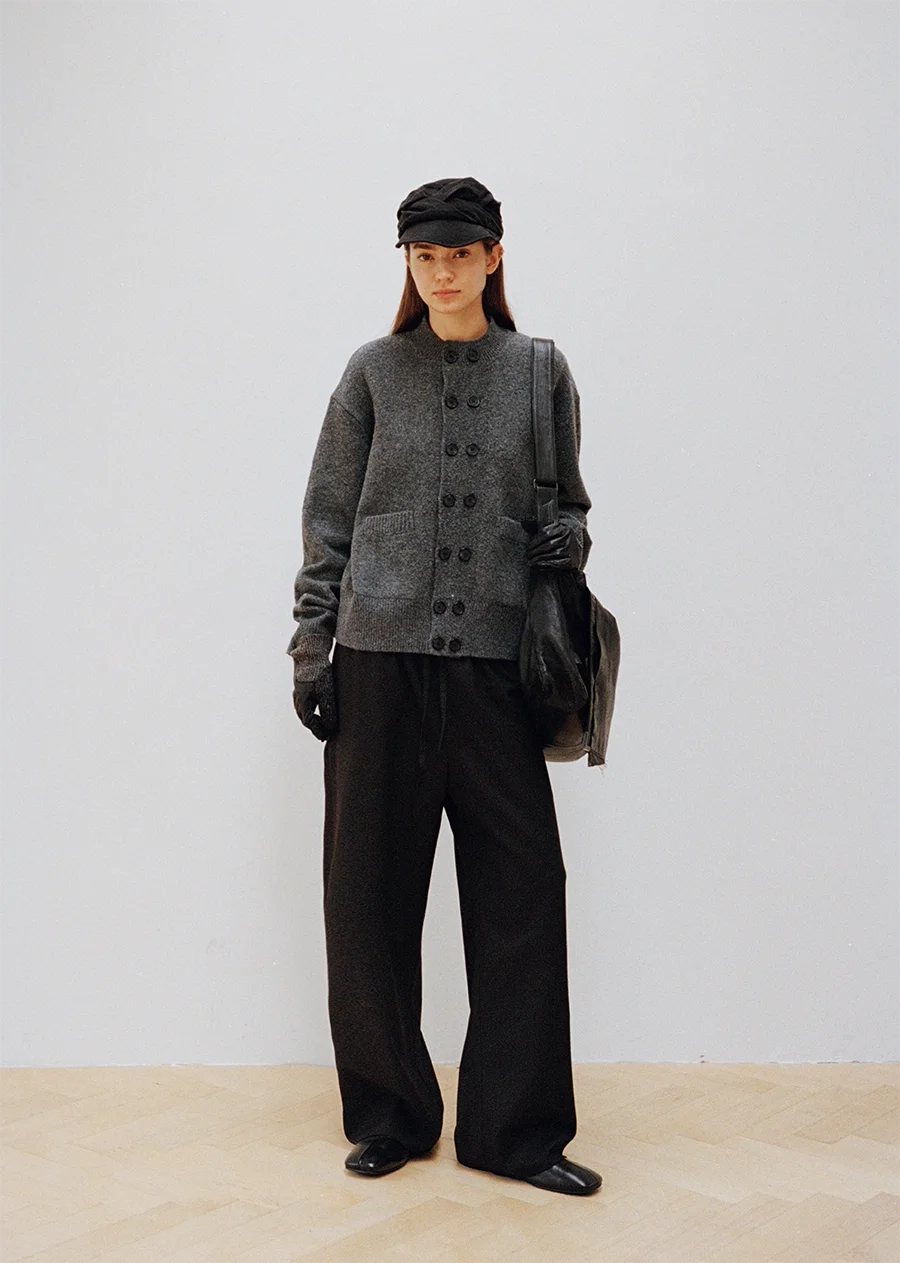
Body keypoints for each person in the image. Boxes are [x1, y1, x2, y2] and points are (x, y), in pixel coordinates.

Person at [287, 176, 602, 1196]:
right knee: (368, 897)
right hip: (377, 665)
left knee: (523, 893)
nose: (442, 272)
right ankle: (390, 1114)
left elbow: (573, 507)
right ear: (409, 263)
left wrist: (567, 538)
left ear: (493, 256)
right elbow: (328, 519)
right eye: (425, 256)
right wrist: (312, 647)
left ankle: (517, 1133)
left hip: (495, 669)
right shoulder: (372, 373)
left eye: (460, 254)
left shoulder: (539, 371)